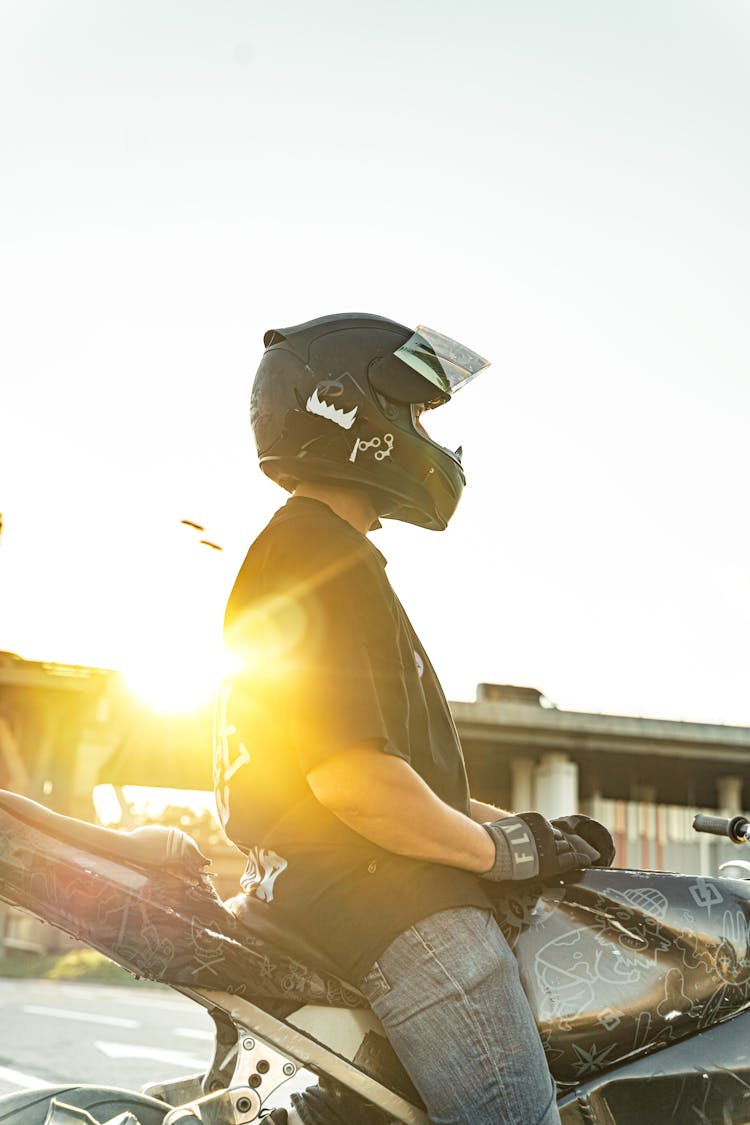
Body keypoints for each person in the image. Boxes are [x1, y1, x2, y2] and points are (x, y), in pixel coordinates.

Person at [213, 313, 615, 1125]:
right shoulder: (324, 556)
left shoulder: (301, 551)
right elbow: (358, 786)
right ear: (349, 409)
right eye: (417, 412)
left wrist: (532, 837)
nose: (425, 434)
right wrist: (498, 853)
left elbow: (408, 788)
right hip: (394, 908)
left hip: (325, 888)